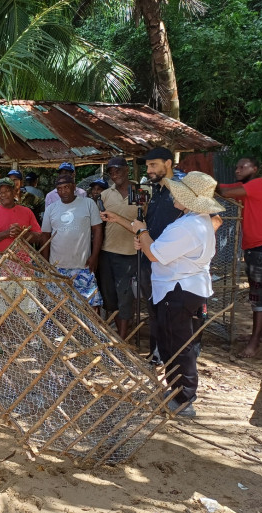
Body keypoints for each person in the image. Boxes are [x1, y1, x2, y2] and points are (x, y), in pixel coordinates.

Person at [130, 172, 224, 417]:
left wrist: (142, 231)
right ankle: (176, 389)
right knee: (174, 341)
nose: (174, 195)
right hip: (183, 287)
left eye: (179, 193)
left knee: (178, 345)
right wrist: (146, 238)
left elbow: (154, 254)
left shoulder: (188, 226)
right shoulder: (197, 220)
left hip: (178, 289)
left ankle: (183, 397)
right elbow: (159, 249)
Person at [101, 148, 188, 364]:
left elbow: (210, 221)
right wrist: (118, 219)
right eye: (147, 166)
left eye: (153, 165)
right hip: (150, 260)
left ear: (169, 163)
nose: (149, 170)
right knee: (154, 309)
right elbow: (142, 227)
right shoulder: (155, 191)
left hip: (174, 265)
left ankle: (179, 362)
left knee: (174, 313)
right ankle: (158, 355)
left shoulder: (180, 189)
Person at [216, 157, 262, 358]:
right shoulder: (245, 187)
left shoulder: (259, 184)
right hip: (257, 247)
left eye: (242, 167)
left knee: (259, 294)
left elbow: (225, 192)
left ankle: (254, 343)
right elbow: (221, 187)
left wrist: (207, 186)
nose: (237, 170)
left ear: (255, 168)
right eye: (236, 167)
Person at [41, 172, 103, 312]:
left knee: (91, 303)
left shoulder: (88, 203)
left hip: (83, 265)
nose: (63, 191)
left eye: (67, 187)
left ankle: (91, 333)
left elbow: (98, 230)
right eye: (60, 188)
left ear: (74, 187)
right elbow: (45, 236)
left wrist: (95, 256)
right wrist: (45, 262)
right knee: (58, 305)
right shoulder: (51, 209)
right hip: (57, 267)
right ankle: (64, 333)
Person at [98, 157, 139, 339]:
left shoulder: (140, 191)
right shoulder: (106, 195)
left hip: (130, 253)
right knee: (110, 295)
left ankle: (122, 339)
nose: (115, 175)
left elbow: (146, 218)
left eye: (118, 170)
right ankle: (114, 334)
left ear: (127, 169)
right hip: (108, 252)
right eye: (111, 172)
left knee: (126, 297)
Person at [0, 177, 43, 254]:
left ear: (14, 192)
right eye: (0, 192)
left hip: (22, 263)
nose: (3, 195)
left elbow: (39, 237)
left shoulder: (27, 212)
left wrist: (22, 234)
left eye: (7, 191)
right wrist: (6, 233)